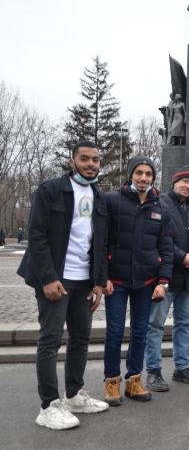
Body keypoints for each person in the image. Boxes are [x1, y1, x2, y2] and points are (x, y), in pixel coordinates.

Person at [17, 141, 109, 430]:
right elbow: (37, 235)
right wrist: (47, 277)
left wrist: (98, 283)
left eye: (95, 159)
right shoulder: (51, 189)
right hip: (56, 277)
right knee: (51, 338)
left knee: (81, 337)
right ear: (73, 161)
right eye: (85, 159)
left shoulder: (99, 196)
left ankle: (73, 395)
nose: (90, 164)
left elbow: (100, 243)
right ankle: (48, 405)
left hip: (84, 280)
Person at [103, 156, 173, 406]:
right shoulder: (112, 200)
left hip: (147, 281)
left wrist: (163, 281)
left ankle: (134, 380)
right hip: (117, 281)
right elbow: (101, 242)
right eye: (139, 173)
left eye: (148, 174)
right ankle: (112, 382)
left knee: (141, 332)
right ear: (131, 174)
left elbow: (165, 245)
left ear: (153, 178)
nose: (143, 178)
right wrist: (102, 278)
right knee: (114, 332)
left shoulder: (160, 206)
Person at [145, 166, 189, 392]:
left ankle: (181, 367)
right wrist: (182, 257)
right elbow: (156, 239)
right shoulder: (160, 203)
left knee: (185, 324)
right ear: (174, 183)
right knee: (155, 325)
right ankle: (153, 371)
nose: (188, 186)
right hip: (165, 277)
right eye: (185, 182)